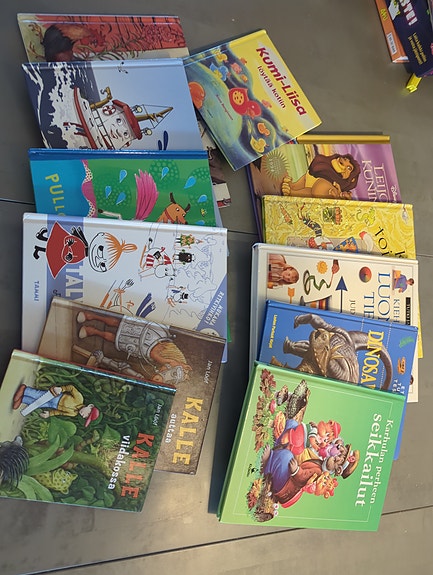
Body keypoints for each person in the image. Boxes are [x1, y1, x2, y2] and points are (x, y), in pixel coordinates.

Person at [13, 383, 99, 426]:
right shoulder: (79, 399)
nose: (84, 416)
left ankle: (23, 399)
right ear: (90, 406)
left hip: (53, 406)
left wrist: (49, 414)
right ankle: (25, 390)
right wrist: (61, 389)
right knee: (38, 395)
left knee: (38, 404)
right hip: (56, 397)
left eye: (86, 417)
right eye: (88, 413)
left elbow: (60, 413)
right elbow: (71, 388)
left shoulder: (73, 414)